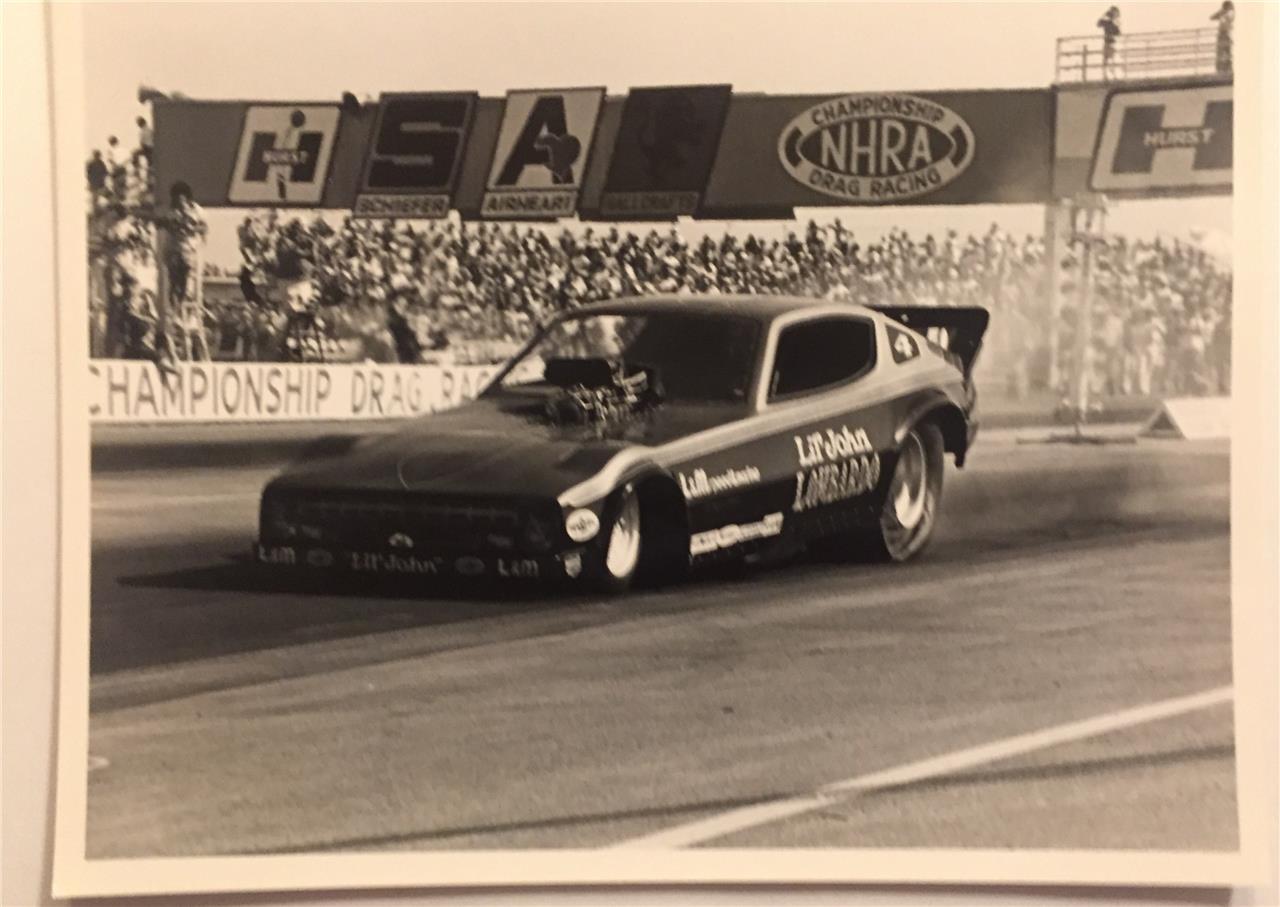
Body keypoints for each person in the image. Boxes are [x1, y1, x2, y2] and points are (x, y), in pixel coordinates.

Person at [1097, 6, 1122, 80]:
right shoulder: (1106, 22)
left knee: (1112, 60)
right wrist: (1104, 15)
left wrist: (1116, 23)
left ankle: (1113, 75)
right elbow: (1098, 24)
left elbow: (1118, 33)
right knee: (1106, 60)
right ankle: (1106, 76)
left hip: (1112, 43)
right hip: (1107, 43)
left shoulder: (1114, 22)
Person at [1210, 1, 1234, 73]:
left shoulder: (1229, 13)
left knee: (1226, 51)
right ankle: (1220, 69)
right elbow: (1212, 17)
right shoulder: (1223, 14)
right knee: (1221, 51)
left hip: (1226, 34)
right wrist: (1221, 12)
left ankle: (1227, 68)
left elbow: (1229, 18)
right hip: (1222, 34)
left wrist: (1222, 12)